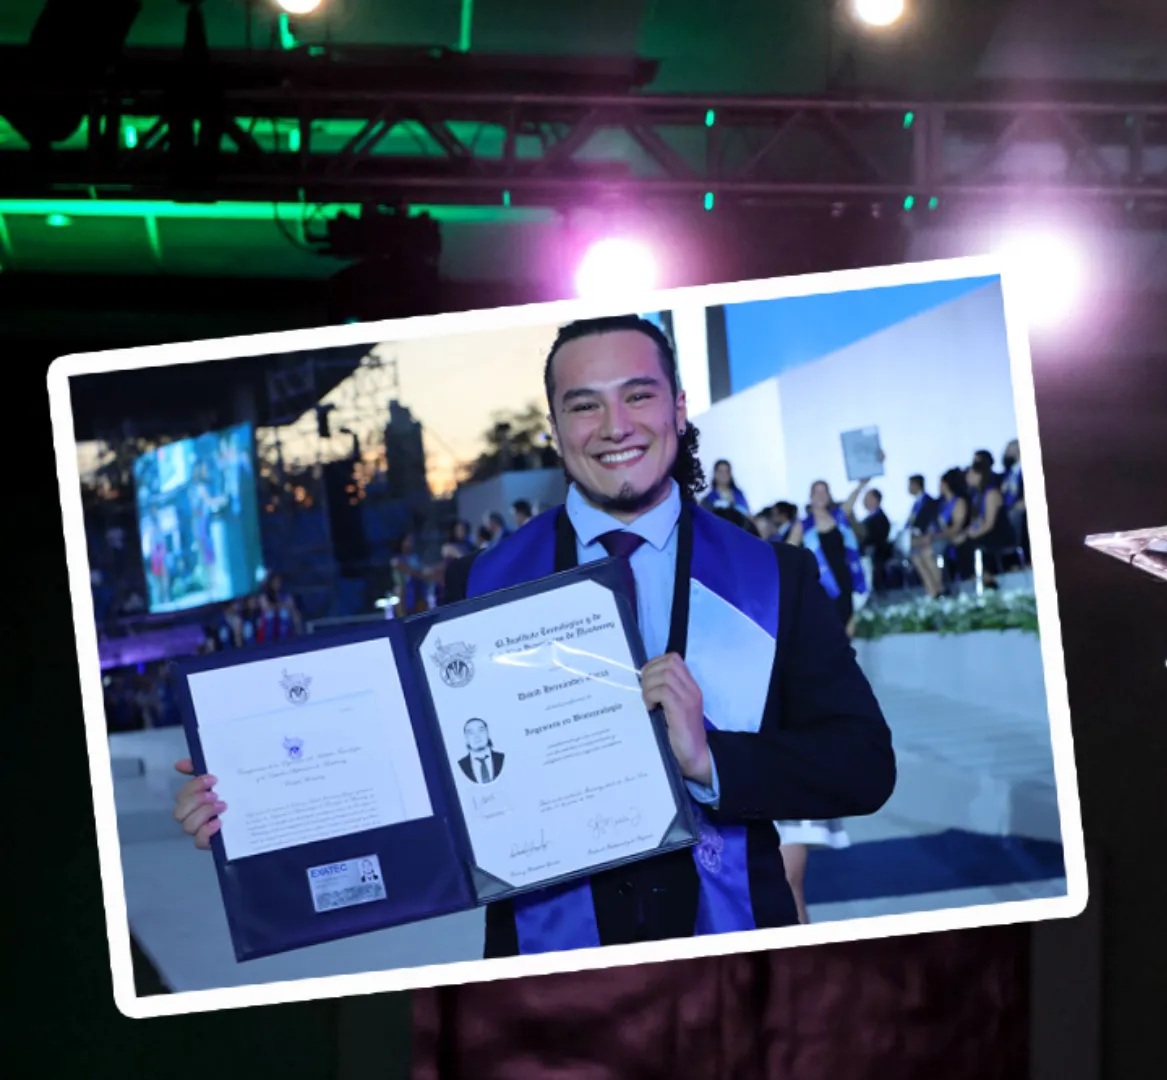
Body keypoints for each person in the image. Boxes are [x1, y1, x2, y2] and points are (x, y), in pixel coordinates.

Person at [176, 313, 893, 958]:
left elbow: (863, 765)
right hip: (547, 984)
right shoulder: (479, 583)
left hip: (734, 962)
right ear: (554, 427)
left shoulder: (772, 578)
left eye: (638, 395)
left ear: (677, 408)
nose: (614, 425)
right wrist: (255, 804)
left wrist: (710, 760)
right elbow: (419, 778)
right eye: (584, 405)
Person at [788, 479, 868, 635]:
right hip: (822, 581)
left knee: (848, 621)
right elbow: (787, 549)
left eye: (824, 491)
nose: (820, 495)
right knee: (828, 626)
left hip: (844, 576)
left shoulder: (838, 516)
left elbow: (852, 499)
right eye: (817, 492)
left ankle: (847, 651)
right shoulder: (804, 525)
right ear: (810, 496)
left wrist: (862, 483)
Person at [908, 468, 971, 598]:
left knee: (927, 552)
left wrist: (934, 536)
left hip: (951, 538)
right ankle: (931, 590)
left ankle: (940, 588)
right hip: (936, 537)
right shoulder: (939, 503)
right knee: (916, 554)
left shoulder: (958, 502)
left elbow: (956, 528)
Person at [957, 460, 1018, 589]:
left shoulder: (991, 493)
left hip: (999, 533)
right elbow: (977, 522)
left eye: (970, 474)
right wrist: (966, 533)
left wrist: (970, 535)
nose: (967, 478)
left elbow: (989, 524)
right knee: (960, 544)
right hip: (986, 532)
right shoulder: (977, 495)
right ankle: (977, 577)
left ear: (979, 475)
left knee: (968, 544)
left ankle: (988, 579)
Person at [456, 718, 506, 785]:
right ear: (466, 738)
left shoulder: (503, 758)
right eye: (471, 733)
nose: (477, 736)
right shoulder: (460, 765)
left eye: (481, 730)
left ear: (488, 733)